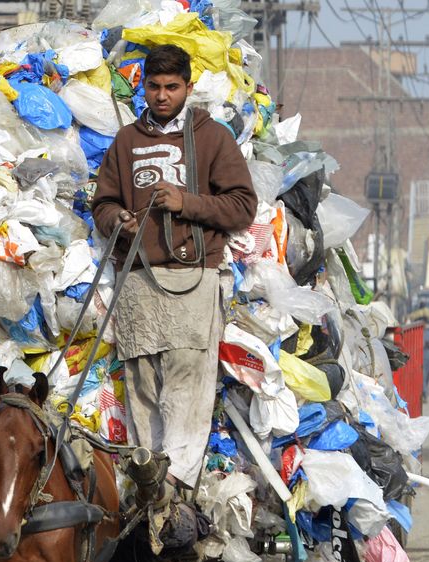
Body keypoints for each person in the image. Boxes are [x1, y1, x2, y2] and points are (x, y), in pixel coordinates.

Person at [91, 44, 257, 498]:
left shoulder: (212, 138)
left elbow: (243, 206)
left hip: (193, 279)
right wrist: (116, 219)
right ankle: (148, 485)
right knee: (143, 382)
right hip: (138, 280)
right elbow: (102, 203)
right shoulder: (126, 142)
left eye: (171, 87)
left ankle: (176, 486)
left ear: (188, 87)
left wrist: (188, 203)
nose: (161, 96)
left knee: (186, 381)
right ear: (143, 87)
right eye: (153, 87)